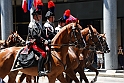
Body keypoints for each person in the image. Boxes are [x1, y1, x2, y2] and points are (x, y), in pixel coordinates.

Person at [27, 5, 49, 76]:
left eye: (40, 16)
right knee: (43, 53)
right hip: (34, 43)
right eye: (39, 16)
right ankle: (40, 70)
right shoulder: (32, 24)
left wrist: (48, 40)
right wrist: (43, 41)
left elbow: (42, 34)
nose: (40, 17)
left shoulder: (38, 25)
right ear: (35, 16)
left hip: (39, 43)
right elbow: (35, 36)